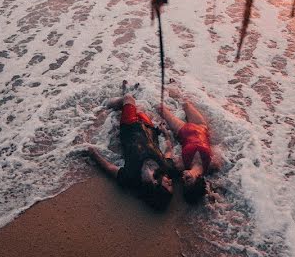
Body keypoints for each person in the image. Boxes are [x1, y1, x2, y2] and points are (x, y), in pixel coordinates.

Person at [88, 81, 178, 209]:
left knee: (128, 99)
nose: (171, 181)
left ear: (156, 186)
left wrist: (93, 154)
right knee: (140, 108)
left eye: (168, 185)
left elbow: (109, 168)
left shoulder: (132, 178)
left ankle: (105, 104)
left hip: (130, 127)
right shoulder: (167, 169)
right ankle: (125, 93)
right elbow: (169, 150)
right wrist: (165, 132)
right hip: (149, 129)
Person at [155, 83, 220, 203]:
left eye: (183, 181)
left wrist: (166, 132)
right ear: (198, 180)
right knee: (185, 103)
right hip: (202, 127)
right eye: (188, 180)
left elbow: (169, 149)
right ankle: (172, 84)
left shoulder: (182, 165)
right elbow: (220, 149)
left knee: (160, 109)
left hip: (183, 130)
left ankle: (150, 86)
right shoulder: (212, 165)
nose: (183, 178)